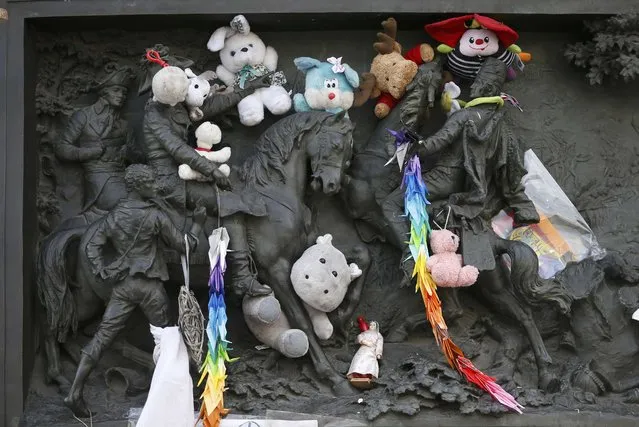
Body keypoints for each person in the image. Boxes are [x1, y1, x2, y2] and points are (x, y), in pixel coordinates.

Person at [64, 164, 207, 417]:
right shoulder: (155, 216)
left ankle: (74, 392)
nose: (155, 187)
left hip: (123, 287)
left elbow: (91, 247)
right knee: (169, 340)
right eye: (150, 183)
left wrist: (104, 272)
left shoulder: (115, 215)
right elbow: (185, 246)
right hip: (150, 289)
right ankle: (179, 395)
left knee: (102, 338)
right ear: (139, 187)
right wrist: (197, 224)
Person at [142, 74, 274, 299]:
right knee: (229, 201)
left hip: (187, 173)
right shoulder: (154, 115)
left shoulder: (175, 103)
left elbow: (210, 106)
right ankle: (242, 277)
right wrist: (212, 171)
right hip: (171, 182)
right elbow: (178, 149)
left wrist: (247, 89)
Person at [54, 65, 135, 212]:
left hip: (123, 177)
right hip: (99, 179)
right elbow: (62, 148)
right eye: (116, 90)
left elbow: (136, 154)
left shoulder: (124, 123)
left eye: (124, 92)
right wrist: (89, 152)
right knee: (127, 205)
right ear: (104, 92)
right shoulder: (84, 116)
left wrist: (128, 152)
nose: (121, 95)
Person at [347, 318, 384, 388]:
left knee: (369, 362)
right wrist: (363, 341)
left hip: (371, 350)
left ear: (376, 327)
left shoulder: (378, 335)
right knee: (359, 360)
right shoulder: (364, 333)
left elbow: (379, 344)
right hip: (363, 349)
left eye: (373, 325)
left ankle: (367, 375)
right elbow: (359, 337)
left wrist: (378, 353)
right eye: (371, 325)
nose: (372, 326)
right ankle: (356, 374)